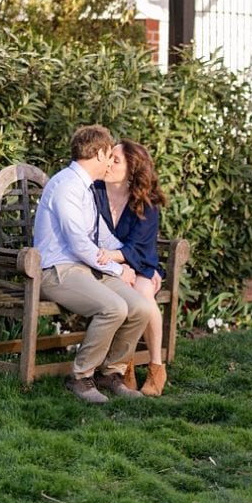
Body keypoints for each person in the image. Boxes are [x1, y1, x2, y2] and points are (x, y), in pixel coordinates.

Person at [28, 124, 157, 404]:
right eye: (110, 155)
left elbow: (103, 237)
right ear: (99, 153)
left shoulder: (86, 188)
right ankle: (80, 376)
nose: (111, 161)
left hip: (86, 268)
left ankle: (111, 373)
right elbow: (79, 243)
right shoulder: (66, 187)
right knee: (113, 308)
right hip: (57, 271)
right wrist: (116, 269)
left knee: (140, 307)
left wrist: (127, 262)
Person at [93, 139, 169, 397]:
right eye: (108, 156)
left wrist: (111, 257)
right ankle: (126, 363)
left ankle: (156, 366)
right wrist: (112, 265)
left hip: (139, 262)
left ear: (132, 169)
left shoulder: (146, 202)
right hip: (106, 266)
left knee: (143, 293)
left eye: (116, 159)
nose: (108, 162)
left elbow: (139, 248)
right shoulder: (95, 191)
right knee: (131, 293)